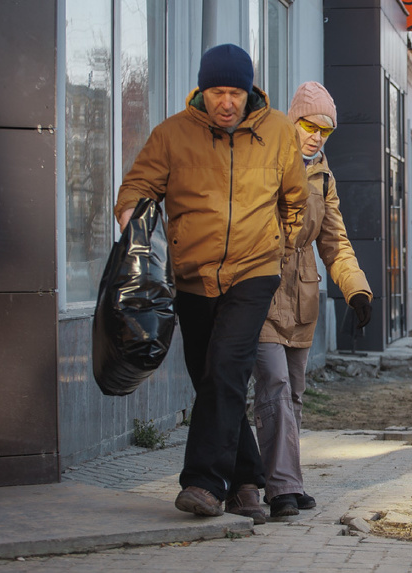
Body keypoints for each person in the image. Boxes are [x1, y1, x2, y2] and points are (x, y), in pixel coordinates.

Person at [114, 44, 309, 525]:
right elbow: (138, 187)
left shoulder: (279, 132)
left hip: (254, 271)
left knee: (225, 368)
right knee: (210, 378)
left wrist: (279, 248)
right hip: (194, 277)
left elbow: (296, 203)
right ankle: (247, 480)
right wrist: (131, 220)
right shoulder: (172, 135)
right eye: (218, 92)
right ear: (203, 91)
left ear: (249, 92)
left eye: (236, 92)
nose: (227, 102)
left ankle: (203, 482)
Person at [253, 82, 372, 518]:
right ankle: (279, 486)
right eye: (309, 125)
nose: (317, 136)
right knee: (274, 387)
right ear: (293, 120)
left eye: (326, 130)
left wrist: (356, 289)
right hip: (261, 291)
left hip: (302, 298)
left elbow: (335, 242)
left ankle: (286, 479)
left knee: (295, 393)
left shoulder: (324, 175)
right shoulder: (266, 161)